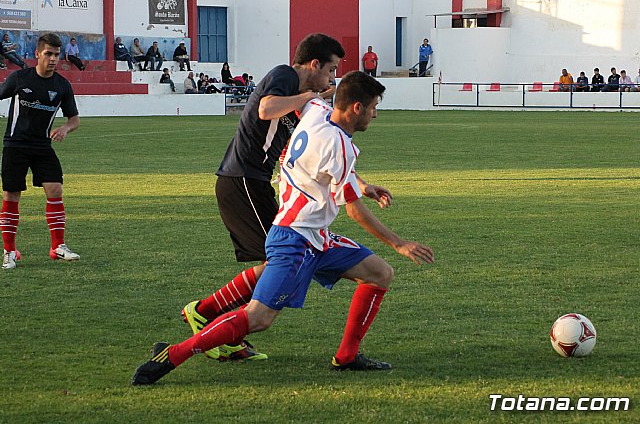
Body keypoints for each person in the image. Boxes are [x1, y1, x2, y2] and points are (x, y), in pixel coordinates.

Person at [131, 71, 435, 385]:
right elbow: (355, 212)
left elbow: (319, 142)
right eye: (373, 107)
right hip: (295, 239)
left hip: (315, 235)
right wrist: (399, 243)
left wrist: (360, 184)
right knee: (258, 318)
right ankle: (173, 354)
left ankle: (346, 357)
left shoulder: (317, 111)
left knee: (379, 273)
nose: (375, 113)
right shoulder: (339, 145)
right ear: (356, 108)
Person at [170, 33, 392, 365]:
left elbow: (327, 153)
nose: (331, 79)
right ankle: (208, 316)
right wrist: (311, 95)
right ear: (314, 65)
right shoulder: (286, 76)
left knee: (276, 262)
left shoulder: (308, 102)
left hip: (254, 180)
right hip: (244, 177)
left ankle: (211, 315)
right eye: (330, 70)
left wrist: (358, 183)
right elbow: (264, 108)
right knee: (276, 264)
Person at [0, 33, 80, 270]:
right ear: (38, 54)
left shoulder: (62, 85)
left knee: (55, 190)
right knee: (12, 195)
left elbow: (74, 119)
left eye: (56, 54)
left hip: (42, 146)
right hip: (15, 145)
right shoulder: (19, 78)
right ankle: (9, 251)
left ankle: (57, 247)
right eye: (48, 54)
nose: (53, 59)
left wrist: (65, 128)